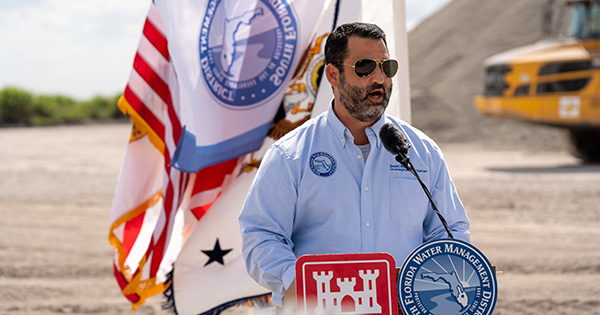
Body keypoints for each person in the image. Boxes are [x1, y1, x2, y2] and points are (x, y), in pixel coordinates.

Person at [238, 22, 471, 310]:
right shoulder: (290, 155)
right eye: (364, 67)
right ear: (333, 75)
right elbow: (261, 236)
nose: (379, 79)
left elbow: (449, 233)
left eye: (387, 67)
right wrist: (300, 284)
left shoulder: (423, 152)